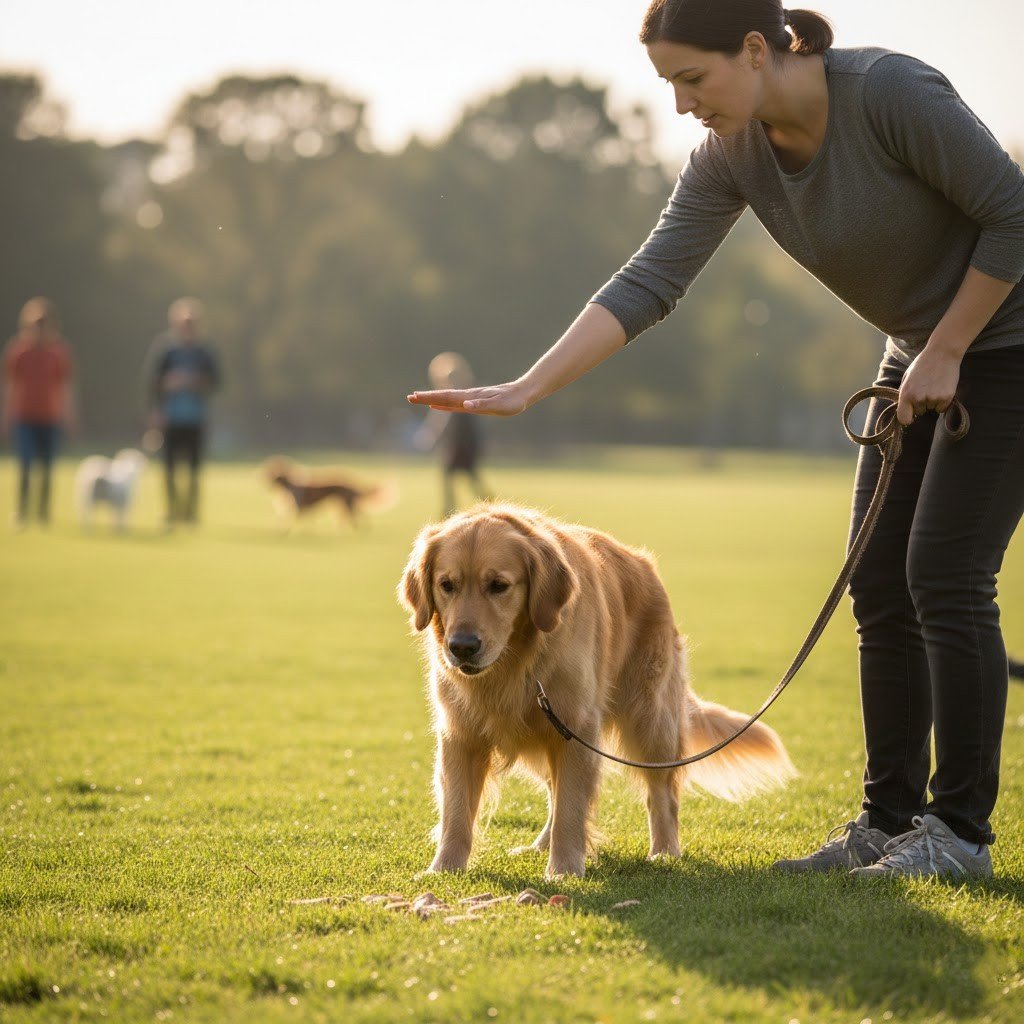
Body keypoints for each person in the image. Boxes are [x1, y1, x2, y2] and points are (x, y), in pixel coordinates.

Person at [408, 0, 1024, 880]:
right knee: (880, 583)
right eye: (668, 84)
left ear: (754, 48)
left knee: (946, 576)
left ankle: (958, 834)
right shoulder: (731, 155)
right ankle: (886, 822)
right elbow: (651, 277)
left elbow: (1014, 213)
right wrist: (526, 388)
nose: (680, 104)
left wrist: (952, 346)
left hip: (1005, 343)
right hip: (918, 352)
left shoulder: (890, 93)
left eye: (691, 79)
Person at [145, 297, 221, 527]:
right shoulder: (165, 350)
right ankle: (171, 510)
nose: (188, 326)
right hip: (170, 418)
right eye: (184, 322)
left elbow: (216, 382)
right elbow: (152, 382)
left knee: (194, 469)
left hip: (196, 418)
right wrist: (158, 406)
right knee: (169, 469)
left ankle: (191, 512)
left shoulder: (205, 352)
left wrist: (193, 381)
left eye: (192, 322)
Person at [2, 297, 76, 527]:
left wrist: (70, 416)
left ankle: (43, 513)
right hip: (24, 415)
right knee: (25, 464)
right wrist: (6, 417)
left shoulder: (59, 352)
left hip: (50, 417)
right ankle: (22, 512)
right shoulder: (18, 351)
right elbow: (10, 386)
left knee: (47, 466)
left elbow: (66, 388)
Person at [414, 352, 492, 517]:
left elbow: (446, 421)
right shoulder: (468, 392)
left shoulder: (459, 396)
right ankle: (459, 507)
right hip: (461, 445)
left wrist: (432, 437)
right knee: (462, 478)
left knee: (455, 478)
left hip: (460, 445)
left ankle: (451, 510)